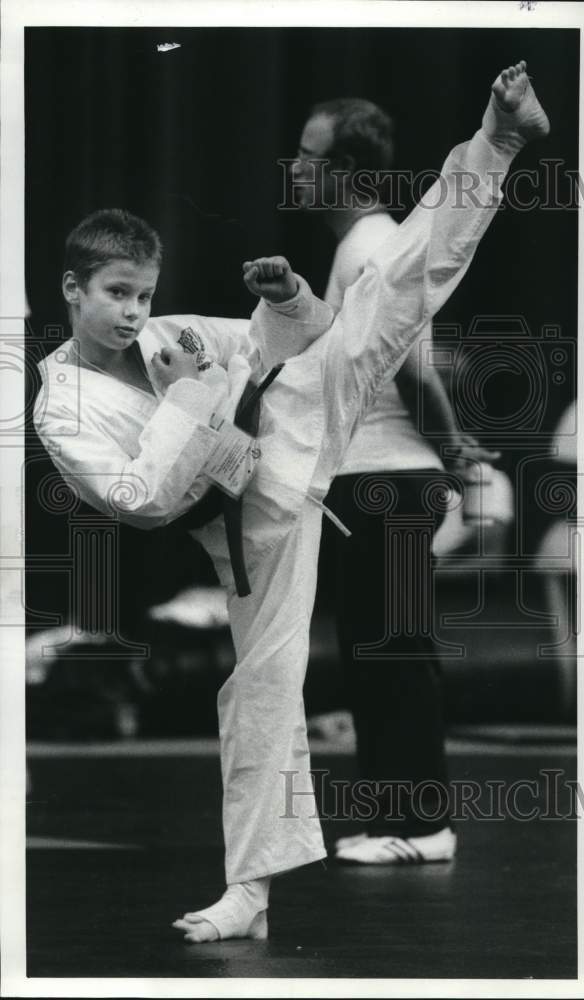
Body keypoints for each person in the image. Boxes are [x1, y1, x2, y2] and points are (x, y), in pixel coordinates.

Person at [33, 62, 549, 941]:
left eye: (144, 294)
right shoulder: (60, 409)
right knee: (260, 688)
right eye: (116, 295)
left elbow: (293, 342)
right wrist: (196, 393)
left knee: (388, 294)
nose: (134, 313)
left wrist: (287, 299)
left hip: (296, 422)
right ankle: (250, 895)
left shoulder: (166, 335)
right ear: (73, 291)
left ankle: (499, 139)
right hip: (246, 526)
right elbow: (146, 501)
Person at [292, 94, 501, 864]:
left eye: (307, 157)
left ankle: (420, 825)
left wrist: (448, 450)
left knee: (394, 652)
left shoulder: (368, 247)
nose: (295, 169)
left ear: (343, 171)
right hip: (375, 477)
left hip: (390, 480)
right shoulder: (365, 246)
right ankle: (397, 820)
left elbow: (409, 365)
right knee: (375, 652)